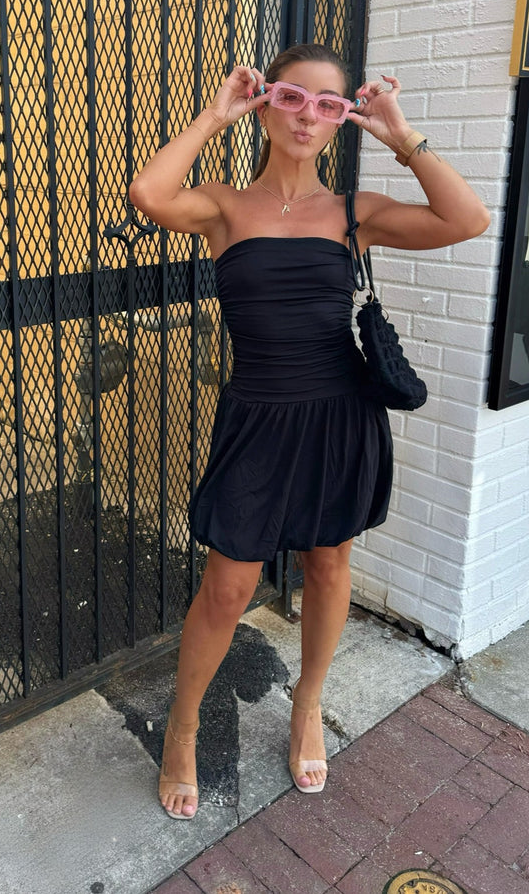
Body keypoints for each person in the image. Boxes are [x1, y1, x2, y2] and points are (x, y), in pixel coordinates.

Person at [128, 42, 490, 820]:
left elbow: (468, 218)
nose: (308, 117)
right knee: (229, 587)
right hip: (257, 416)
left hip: (339, 416)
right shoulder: (224, 206)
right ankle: (184, 727)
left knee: (328, 568)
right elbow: (149, 193)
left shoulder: (354, 213)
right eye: (292, 97)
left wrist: (401, 136)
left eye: (329, 105)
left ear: (341, 119)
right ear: (269, 104)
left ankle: (308, 705)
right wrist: (215, 115)